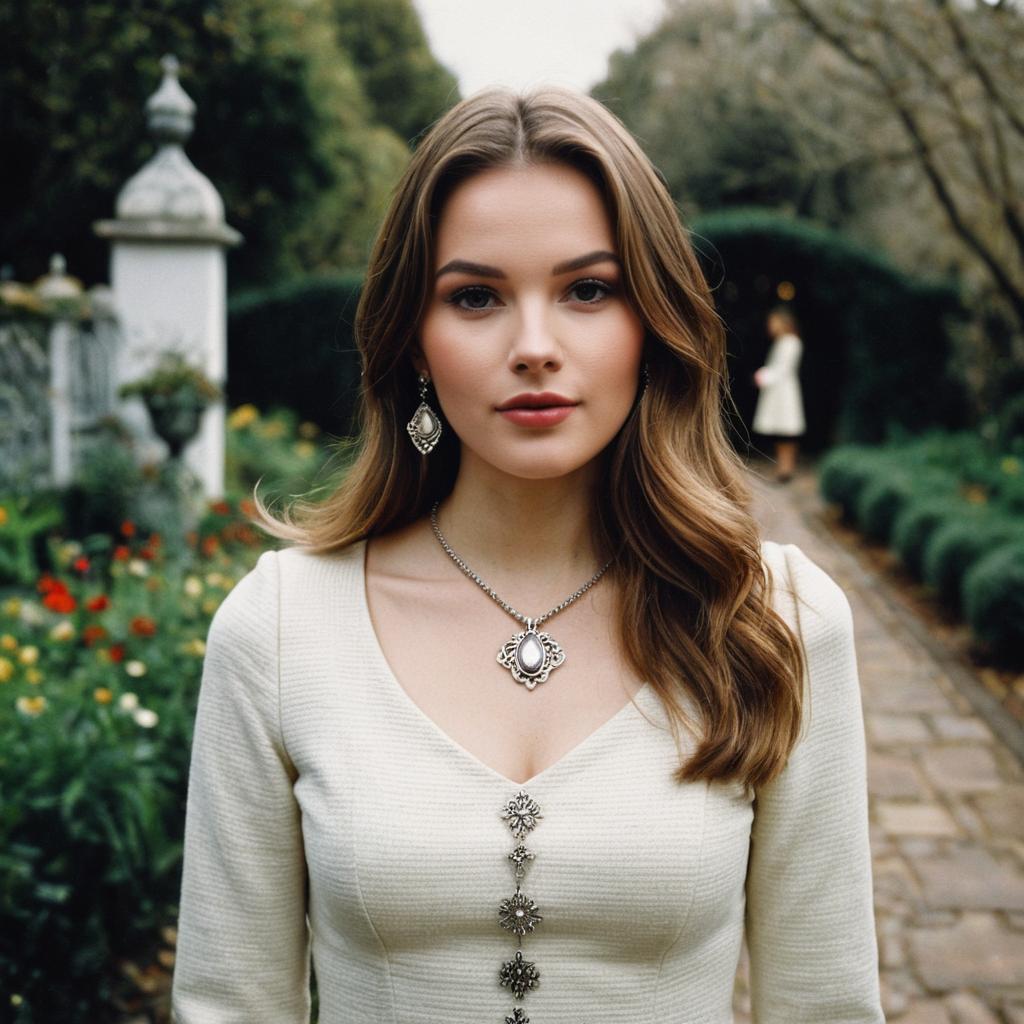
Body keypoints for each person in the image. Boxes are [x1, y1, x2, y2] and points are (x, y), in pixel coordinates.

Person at [170, 86, 883, 1023]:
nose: (535, 347)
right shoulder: (279, 630)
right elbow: (229, 1005)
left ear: (651, 322)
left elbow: (825, 1006)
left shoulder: (777, 621)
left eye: (588, 290)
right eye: (475, 297)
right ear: (414, 343)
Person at [752, 306, 806, 484]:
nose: (770, 326)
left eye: (773, 322)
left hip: (783, 392)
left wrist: (764, 376)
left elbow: (783, 368)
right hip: (779, 390)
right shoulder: (782, 342)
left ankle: (786, 468)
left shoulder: (790, 342)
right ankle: (783, 468)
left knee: (786, 431)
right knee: (782, 432)